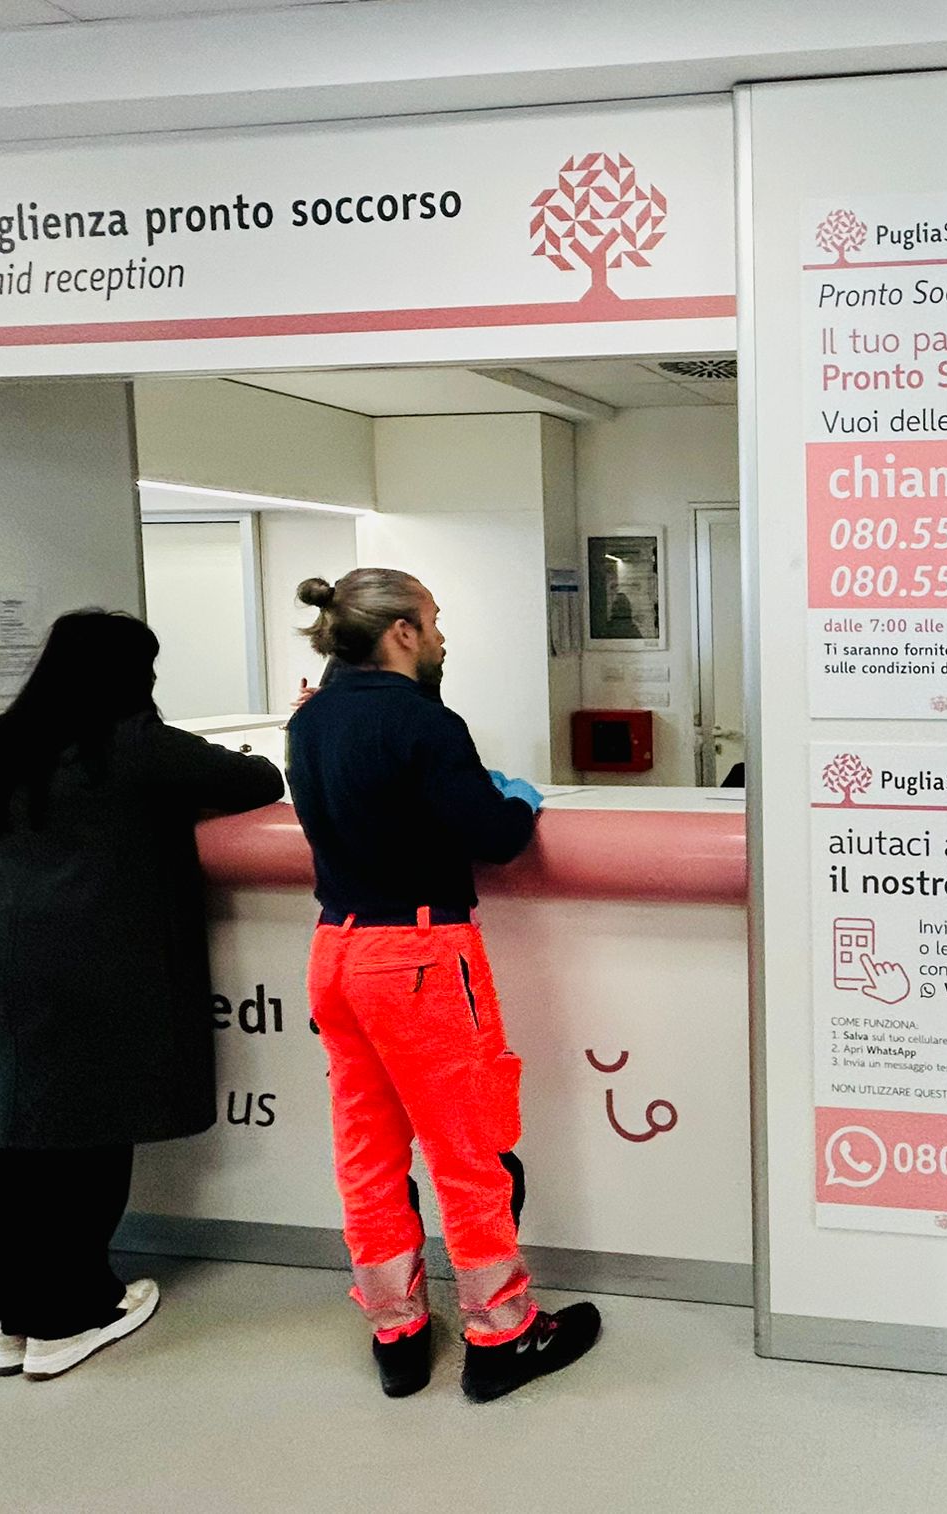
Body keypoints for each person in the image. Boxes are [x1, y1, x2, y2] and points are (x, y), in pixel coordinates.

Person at [286, 569, 601, 1403]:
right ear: (401, 632)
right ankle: (502, 1334)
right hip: (419, 958)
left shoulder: (311, 719)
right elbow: (495, 837)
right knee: (468, 1153)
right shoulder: (424, 722)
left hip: (336, 952)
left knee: (368, 1153)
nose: (441, 636)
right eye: (432, 621)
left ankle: (396, 1330)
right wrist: (518, 800)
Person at [0, 611, 282, 1381]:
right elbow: (258, 781)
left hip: (1, 959)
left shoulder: (4, 742)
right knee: (87, 1140)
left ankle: (11, 1319)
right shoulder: (133, 744)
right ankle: (70, 1315)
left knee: (7, 1140)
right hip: (92, 968)